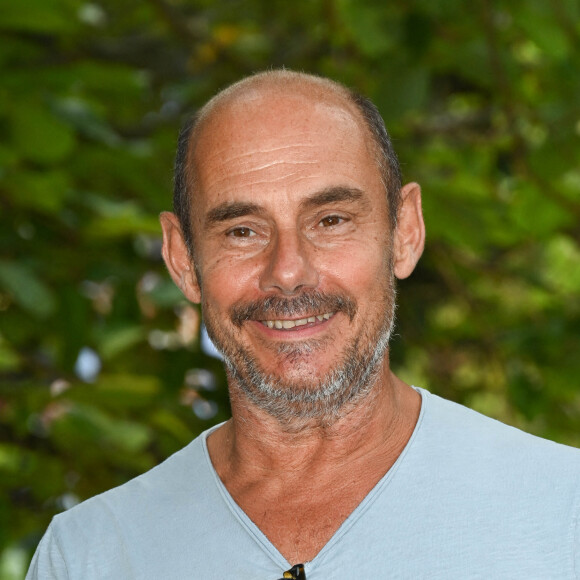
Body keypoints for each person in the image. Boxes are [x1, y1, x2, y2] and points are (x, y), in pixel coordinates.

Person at [27, 70, 580, 580]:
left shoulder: (561, 513)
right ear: (182, 261)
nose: (288, 272)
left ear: (405, 233)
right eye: (242, 230)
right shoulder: (92, 555)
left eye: (331, 220)